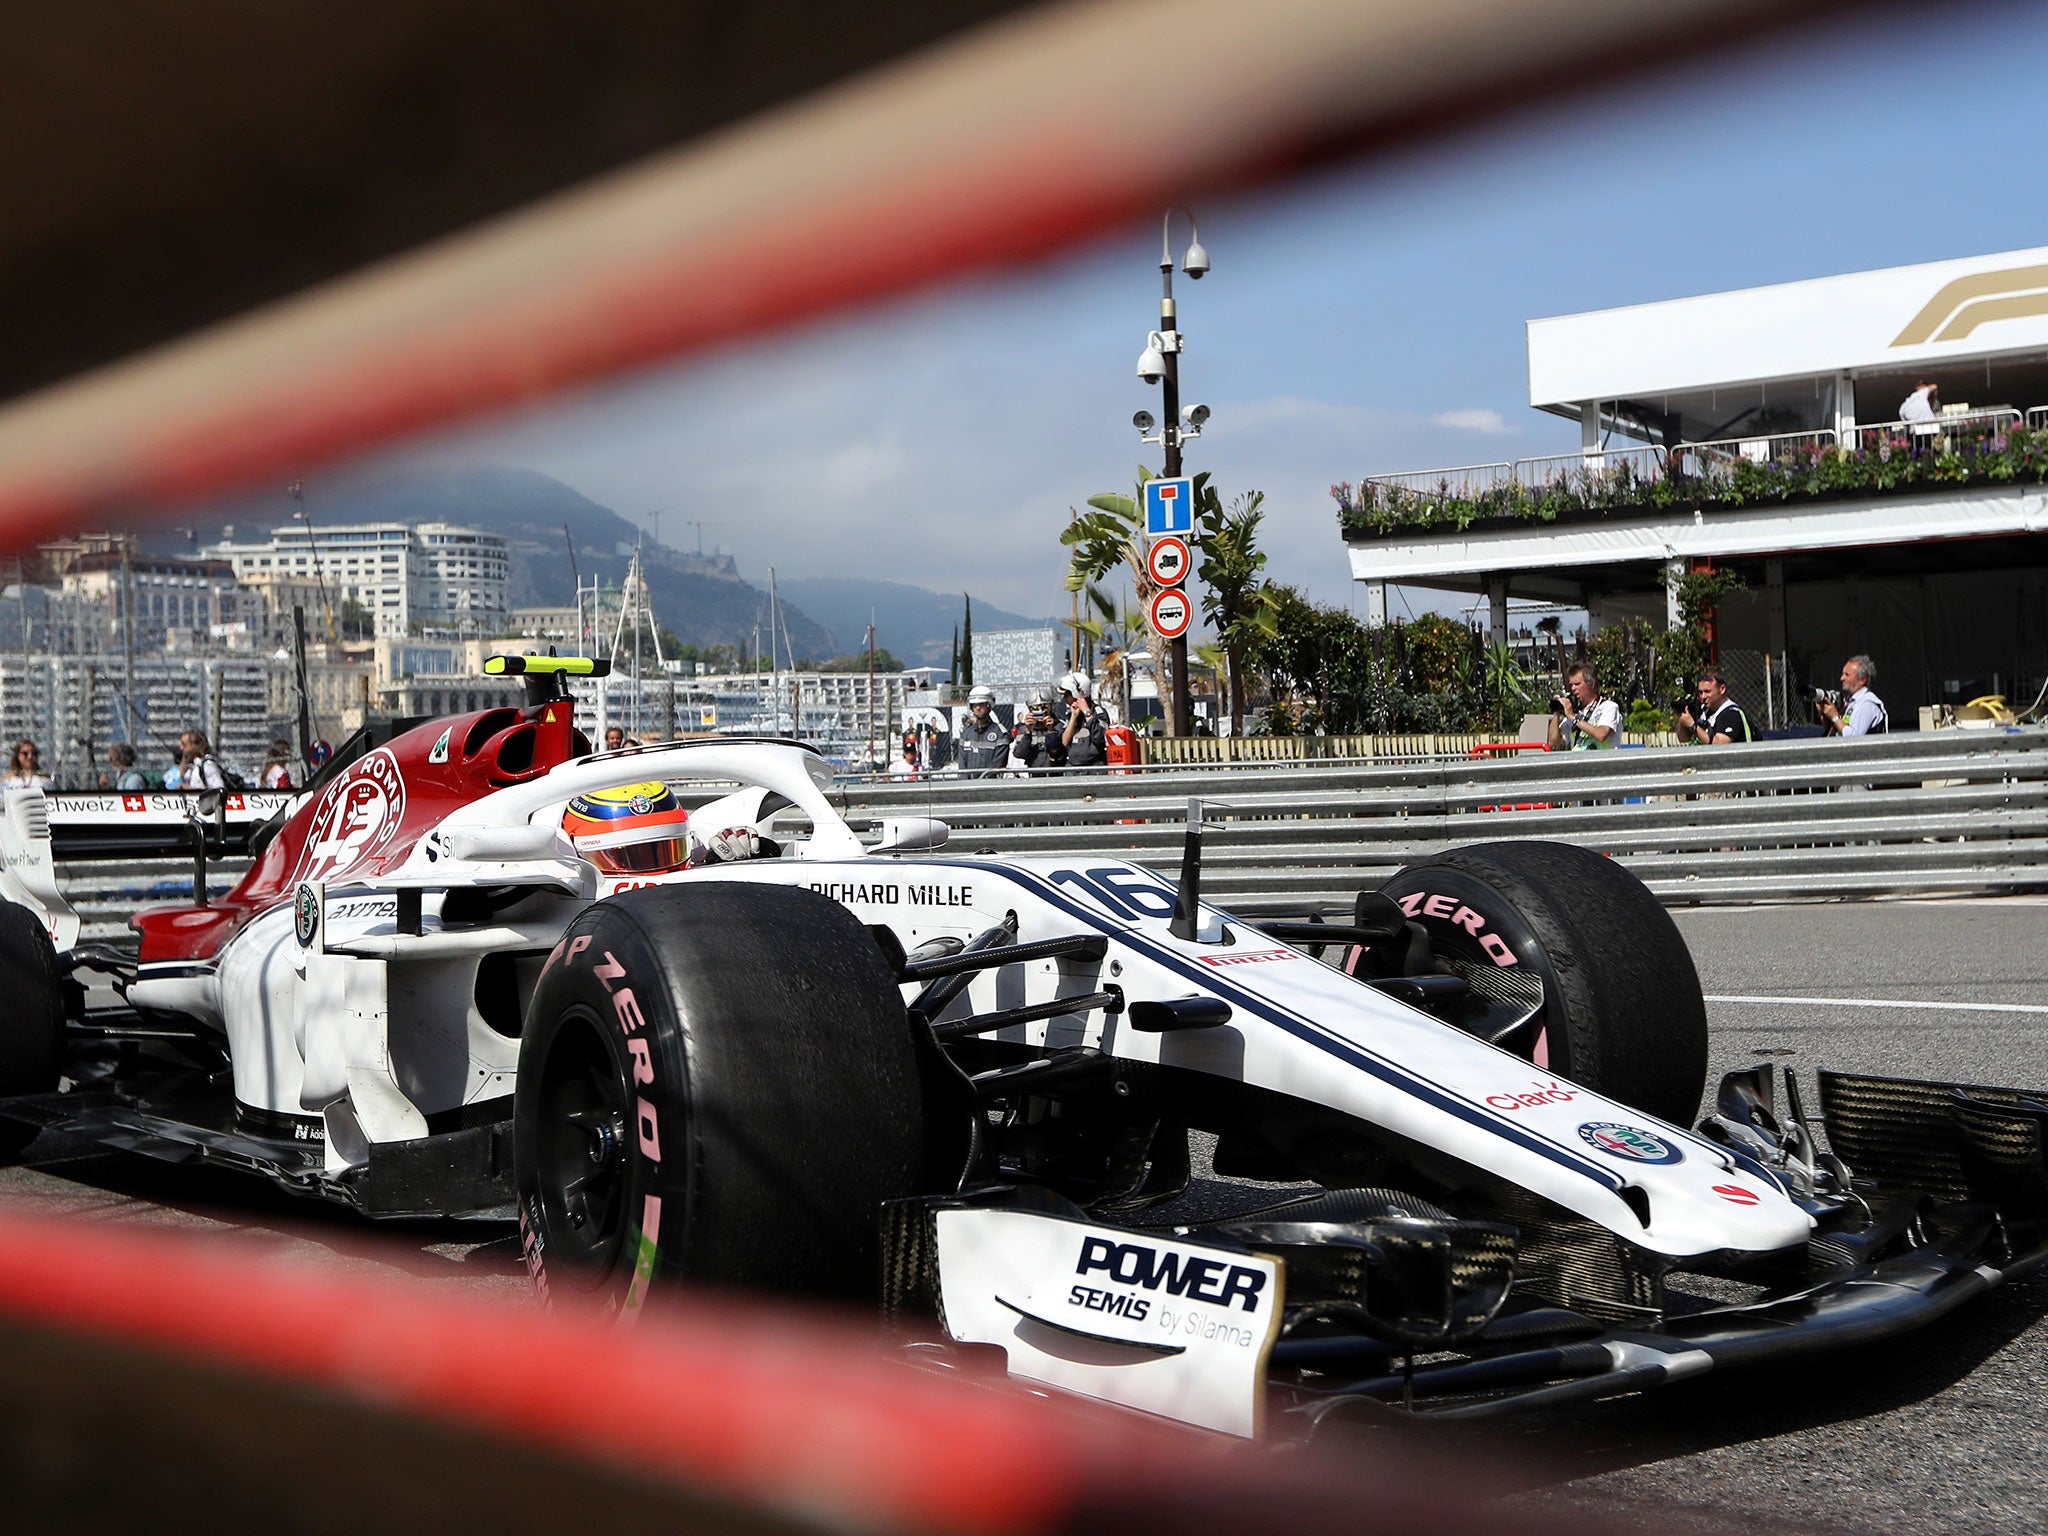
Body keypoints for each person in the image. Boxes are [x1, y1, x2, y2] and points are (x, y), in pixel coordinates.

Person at [560, 781, 769, 875]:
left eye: (663, 850)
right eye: (629, 856)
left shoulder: (698, 857)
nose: (655, 872)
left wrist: (756, 856)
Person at [1675, 668, 1753, 745]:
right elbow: (1683, 738)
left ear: (1722, 689)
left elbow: (1719, 744)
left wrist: (1692, 725)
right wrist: (1683, 716)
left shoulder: (1731, 713)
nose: (1703, 696)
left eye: (1707, 691)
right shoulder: (1704, 711)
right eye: (1700, 692)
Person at [1555, 663, 1620, 750]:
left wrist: (1573, 717)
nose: (1573, 688)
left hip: (1603, 762)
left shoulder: (1608, 707)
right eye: (1571, 685)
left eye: (1577, 684)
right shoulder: (1574, 711)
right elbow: (1553, 742)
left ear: (1591, 684)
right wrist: (1557, 713)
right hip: (1578, 762)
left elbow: (1601, 735)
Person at [1819, 655, 1888, 736]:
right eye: (1842, 674)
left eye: (1847, 674)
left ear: (1862, 680)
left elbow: (1854, 739)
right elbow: (1838, 734)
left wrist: (1835, 717)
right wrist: (1824, 714)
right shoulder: (1851, 702)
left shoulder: (1867, 703)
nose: (1842, 678)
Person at [1056, 671, 1108, 768]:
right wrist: (1073, 717)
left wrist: (1087, 713)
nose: (1064, 699)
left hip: (1094, 769)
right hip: (1073, 769)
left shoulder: (1098, 712)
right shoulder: (1071, 713)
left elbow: (1100, 739)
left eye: (1067, 694)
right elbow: (1065, 742)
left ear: (1079, 693)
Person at [955, 686, 1009, 777]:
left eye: (981, 704)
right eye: (974, 705)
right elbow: (962, 763)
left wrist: (983, 781)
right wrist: (964, 784)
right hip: (969, 786)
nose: (978, 708)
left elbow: (998, 763)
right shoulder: (966, 734)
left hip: (990, 786)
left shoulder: (1000, 734)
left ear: (989, 705)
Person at [1009, 689, 1066, 774]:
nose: (1040, 711)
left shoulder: (1060, 726)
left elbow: (1063, 752)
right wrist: (1028, 732)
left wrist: (1051, 730)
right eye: (1035, 708)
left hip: (1056, 773)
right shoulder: (1024, 728)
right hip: (1035, 774)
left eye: (1044, 707)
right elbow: (1019, 753)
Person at [1900, 380, 1939, 458]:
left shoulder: (1904, 406)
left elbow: (1905, 422)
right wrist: (1925, 389)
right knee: (1930, 448)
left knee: (1917, 450)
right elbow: (1934, 386)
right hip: (1929, 427)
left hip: (1915, 430)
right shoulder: (1921, 394)